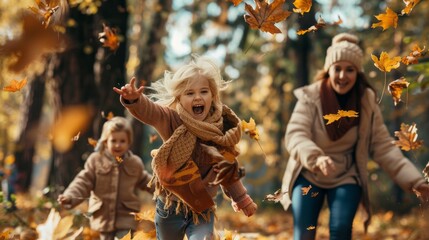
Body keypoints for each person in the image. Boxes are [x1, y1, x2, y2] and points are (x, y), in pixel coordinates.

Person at [280, 33, 429, 240]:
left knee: (341, 229)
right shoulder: (310, 97)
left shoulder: (366, 101)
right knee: (304, 234)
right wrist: (317, 158)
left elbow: (384, 147)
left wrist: (415, 182)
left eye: (349, 69)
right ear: (328, 70)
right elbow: (295, 135)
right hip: (308, 172)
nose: (342, 76)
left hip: (346, 176)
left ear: (358, 73)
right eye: (337, 69)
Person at [113, 55, 257, 240]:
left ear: (212, 96)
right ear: (179, 98)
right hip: (170, 207)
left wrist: (241, 198)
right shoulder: (172, 119)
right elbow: (151, 111)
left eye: (203, 91)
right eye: (189, 93)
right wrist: (135, 100)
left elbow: (227, 167)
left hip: (202, 209)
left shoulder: (219, 129)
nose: (197, 97)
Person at [57, 116, 154, 240]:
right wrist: (70, 196)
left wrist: (166, 189)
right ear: (105, 141)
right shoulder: (96, 160)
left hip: (127, 217)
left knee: (123, 238)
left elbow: (147, 181)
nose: (118, 145)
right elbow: (83, 182)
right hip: (103, 217)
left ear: (129, 142)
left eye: (122, 141)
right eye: (113, 141)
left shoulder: (134, 163)